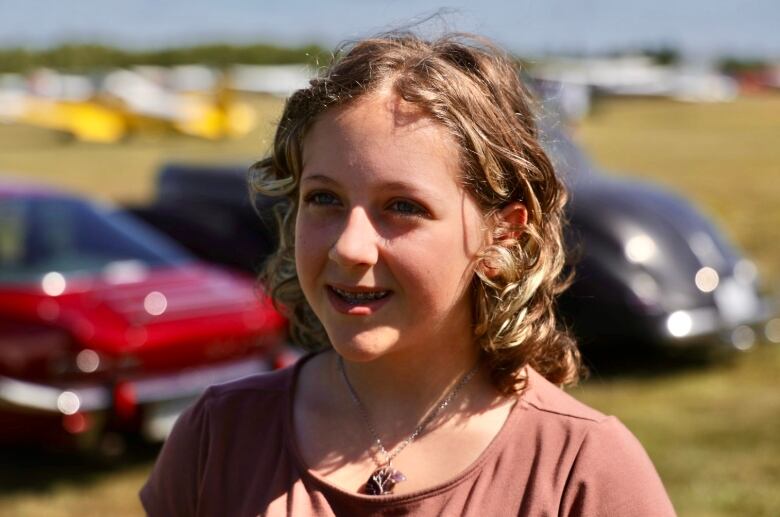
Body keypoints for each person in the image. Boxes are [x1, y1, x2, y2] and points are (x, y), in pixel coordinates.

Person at [140, 32, 676, 516]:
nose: (350, 246)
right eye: (323, 198)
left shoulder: (580, 470)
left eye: (402, 206)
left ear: (502, 233)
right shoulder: (218, 438)